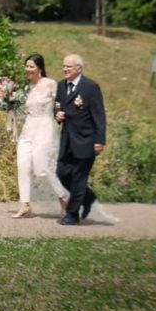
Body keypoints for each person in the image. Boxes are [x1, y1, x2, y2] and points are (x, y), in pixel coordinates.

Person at [13, 54, 69, 218]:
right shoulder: (28, 87)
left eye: (31, 66)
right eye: (26, 66)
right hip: (28, 130)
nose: (28, 69)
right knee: (22, 165)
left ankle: (64, 199)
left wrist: (60, 113)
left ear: (40, 68)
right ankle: (24, 205)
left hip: (44, 129)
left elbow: (61, 102)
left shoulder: (50, 84)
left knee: (42, 168)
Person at [55, 54, 106, 225]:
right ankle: (87, 196)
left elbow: (99, 115)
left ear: (79, 69)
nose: (65, 69)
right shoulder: (61, 86)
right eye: (64, 66)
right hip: (67, 139)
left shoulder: (90, 87)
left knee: (78, 177)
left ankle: (72, 214)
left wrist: (100, 140)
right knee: (61, 172)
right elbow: (57, 107)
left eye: (69, 67)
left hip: (86, 140)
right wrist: (58, 115)